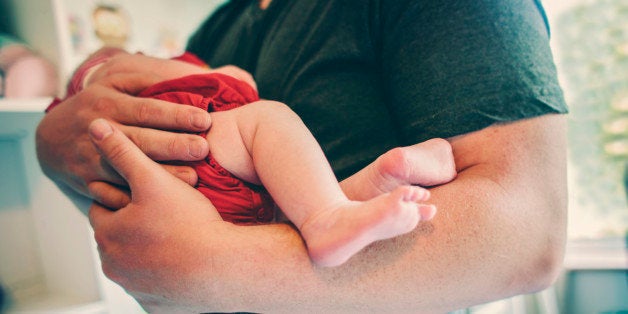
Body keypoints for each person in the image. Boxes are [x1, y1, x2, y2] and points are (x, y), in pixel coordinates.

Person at [36, 0, 569, 312]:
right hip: (237, 209)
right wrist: (52, 141)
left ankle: (338, 210)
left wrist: (214, 263)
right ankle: (350, 201)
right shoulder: (221, 26)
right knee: (286, 178)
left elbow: (527, 238)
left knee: (279, 150)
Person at [52, 47, 447, 267]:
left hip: (182, 209)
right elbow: (239, 79)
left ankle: (372, 187)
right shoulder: (130, 74)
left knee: (285, 210)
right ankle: (332, 214)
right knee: (266, 121)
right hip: (194, 165)